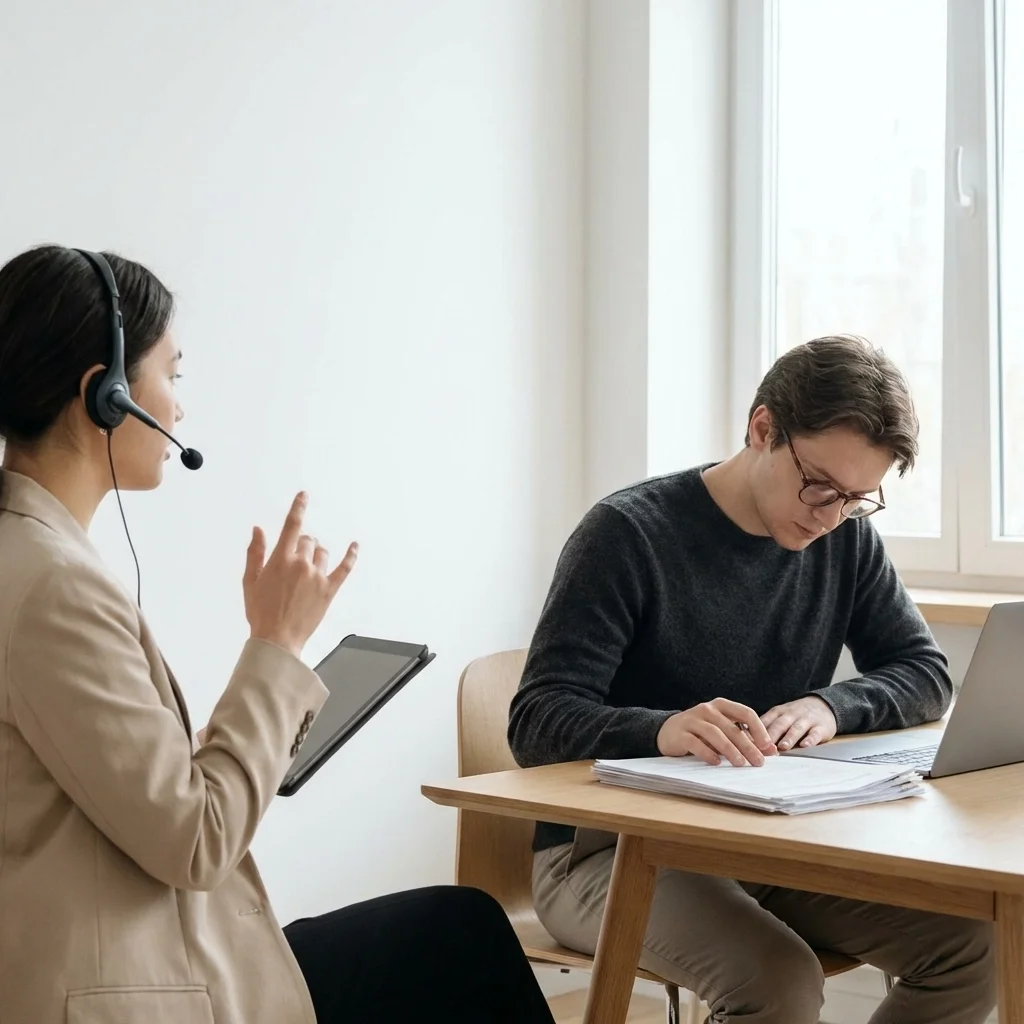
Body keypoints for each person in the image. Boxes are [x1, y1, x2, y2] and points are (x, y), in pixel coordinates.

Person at [0, 244, 555, 1024]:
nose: (180, 409)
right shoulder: (53, 587)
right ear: (108, 395)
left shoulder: (31, 558)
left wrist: (255, 703)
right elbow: (197, 837)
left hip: (145, 955)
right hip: (133, 990)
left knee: (455, 930)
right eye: (173, 375)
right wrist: (275, 646)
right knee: (460, 938)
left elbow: (130, 791)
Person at [508, 335, 996, 1024]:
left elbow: (924, 672)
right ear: (763, 429)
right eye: (819, 485)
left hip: (764, 842)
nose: (830, 515)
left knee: (974, 945)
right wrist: (663, 731)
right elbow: (535, 720)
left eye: (856, 498)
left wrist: (833, 706)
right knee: (778, 981)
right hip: (606, 853)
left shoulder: (844, 537)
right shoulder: (627, 534)